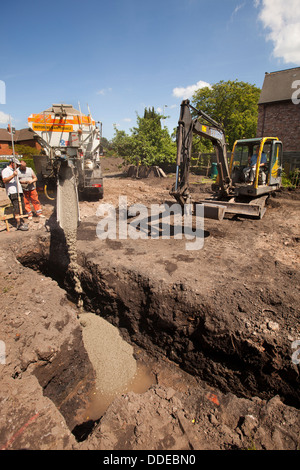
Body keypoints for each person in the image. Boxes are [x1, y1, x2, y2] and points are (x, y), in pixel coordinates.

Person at [1, 158, 28, 231]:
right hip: (13, 192)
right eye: (17, 165)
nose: (18, 166)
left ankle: (21, 222)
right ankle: (18, 224)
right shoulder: (6, 171)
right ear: (12, 163)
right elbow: (5, 180)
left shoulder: (14, 171)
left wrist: (22, 182)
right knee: (17, 207)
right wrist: (13, 175)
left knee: (21, 207)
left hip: (19, 191)